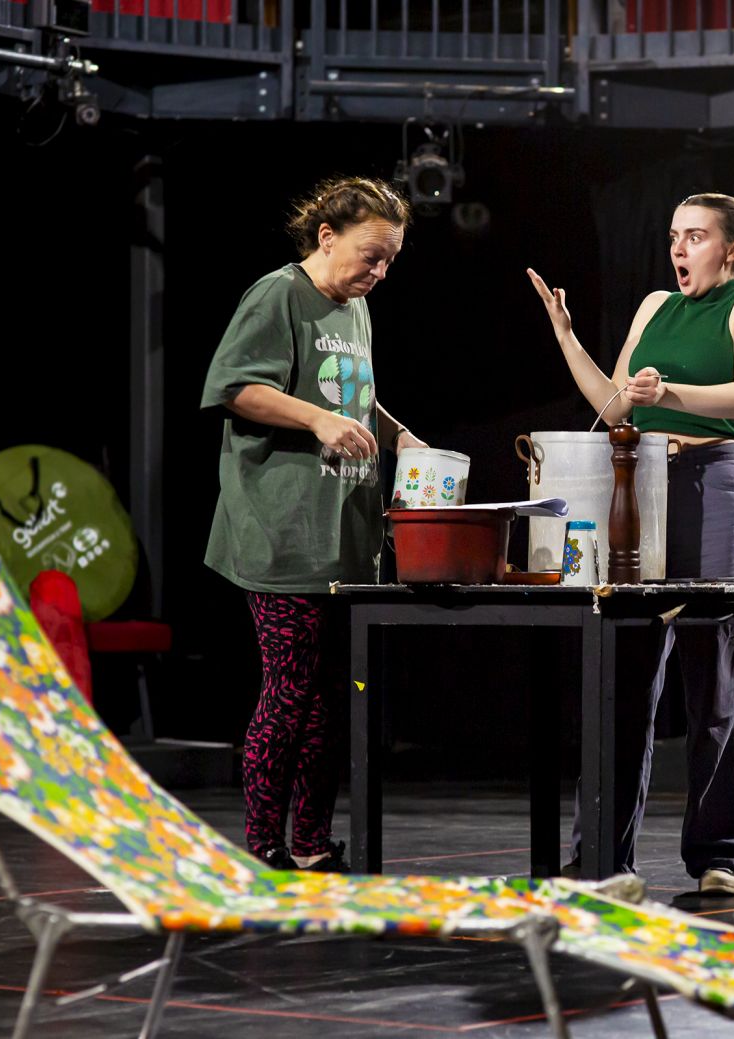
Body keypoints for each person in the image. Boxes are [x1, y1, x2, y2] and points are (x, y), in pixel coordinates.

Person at [526, 192, 734, 897]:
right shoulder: (651, 306)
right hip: (642, 483)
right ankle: (602, 853)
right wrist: (567, 337)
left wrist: (671, 388)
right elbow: (614, 405)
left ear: (731, 249)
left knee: (718, 676)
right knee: (623, 669)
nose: (678, 248)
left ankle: (720, 854)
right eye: (673, 235)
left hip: (715, 482)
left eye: (695, 236)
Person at [201, 176, 426, 872]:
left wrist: (399, 436)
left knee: (331, 696)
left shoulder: (354, 308)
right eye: (370, 255)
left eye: (389, 260)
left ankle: (310, 841)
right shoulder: (278, 295)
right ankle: (263, 844)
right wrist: (318, 418)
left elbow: (355, 396)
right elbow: (235, 386)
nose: (379, 272)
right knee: (290, 687)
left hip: (344, 534)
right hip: (284, 530)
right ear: (326, 237)